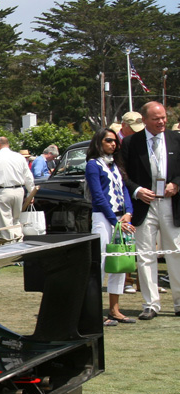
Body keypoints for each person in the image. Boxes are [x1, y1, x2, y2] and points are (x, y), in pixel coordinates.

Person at [120, 101, 180, 320]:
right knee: (145, 255)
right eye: (156, 118)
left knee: (176, 252)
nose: (162, 121)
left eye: (163, 117)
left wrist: (177, 184)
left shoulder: (176, 139)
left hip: (170, 203)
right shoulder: (130, 143)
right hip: (144, 204)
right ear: (144, 120)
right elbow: (123, 173)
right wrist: (136, 191)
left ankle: (179, 302)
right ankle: (150, 304)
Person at [84, 129, 135, 326]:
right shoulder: (93, 165)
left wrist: (128, 214)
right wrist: (115, 221)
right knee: (101, 263)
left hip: (120, 218)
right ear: (99, 142)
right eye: (108, 141)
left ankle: (115, 310)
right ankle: (95, 312)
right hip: (103, 218)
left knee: (119, 264)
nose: (113, 144)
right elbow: (98, 195)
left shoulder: (116, 165)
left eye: (115, 141)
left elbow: (124, 191)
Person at [0, 137, 34, 242]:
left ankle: (9, 247)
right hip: (19, 191)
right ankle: (19, 243)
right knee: (16, 221)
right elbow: (28, 177)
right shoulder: (19, 157)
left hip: (3, 192)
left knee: (5, 223)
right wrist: (31, 193)